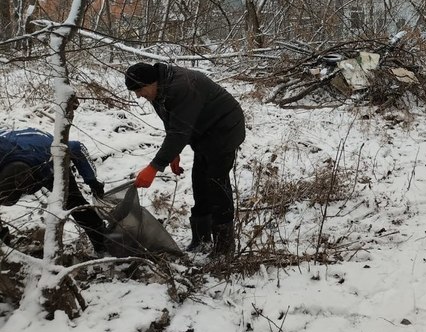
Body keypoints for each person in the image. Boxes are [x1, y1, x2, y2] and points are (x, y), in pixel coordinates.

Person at [124, 62, 245, 255]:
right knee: (199, 183)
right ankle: (201, 239)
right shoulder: (159, 89)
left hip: (225, 129)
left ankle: (224, 248)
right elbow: (171, 121)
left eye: (139, 89)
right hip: (204, 131)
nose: (139, 95)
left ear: (151, 81)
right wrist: (174, 153)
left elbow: (179, 132)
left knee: (216, 184)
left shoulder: (182, 87)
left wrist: (155, 166)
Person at [0, 128, 107, 252]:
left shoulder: (52, 153)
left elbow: (78, 147)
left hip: (44, 155)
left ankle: (102, 241)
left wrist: (92, 181)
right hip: (15, 149)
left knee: (73, 202)